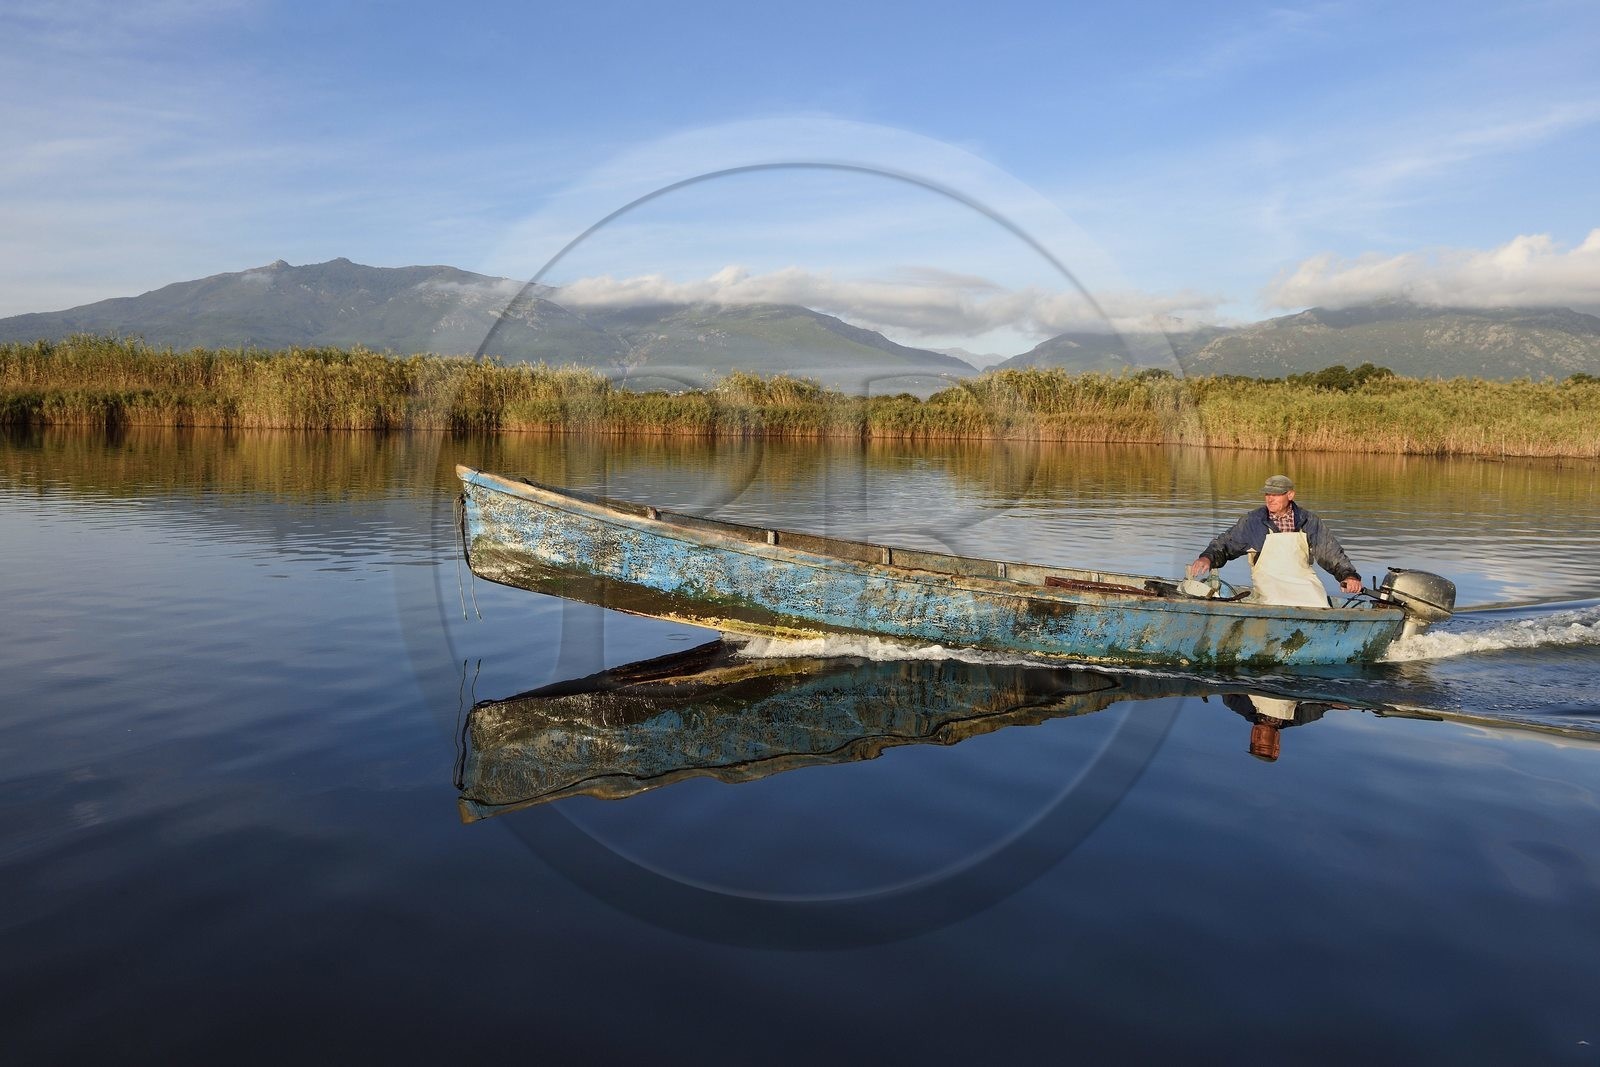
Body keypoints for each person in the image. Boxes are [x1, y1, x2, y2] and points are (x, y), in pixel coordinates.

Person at [1186, 475, 1362, 604]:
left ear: (1290, 495)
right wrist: (1207, 557)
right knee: (1276, 602)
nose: (1270, 499)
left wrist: (1349, 576)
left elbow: (1331, 554)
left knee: (1319, 603)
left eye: (1276, 494)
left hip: (1302, 581)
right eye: (1267, 494)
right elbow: (1225, 544)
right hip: (1270, 583)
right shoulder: (1253, 521)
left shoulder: (1308, 521)